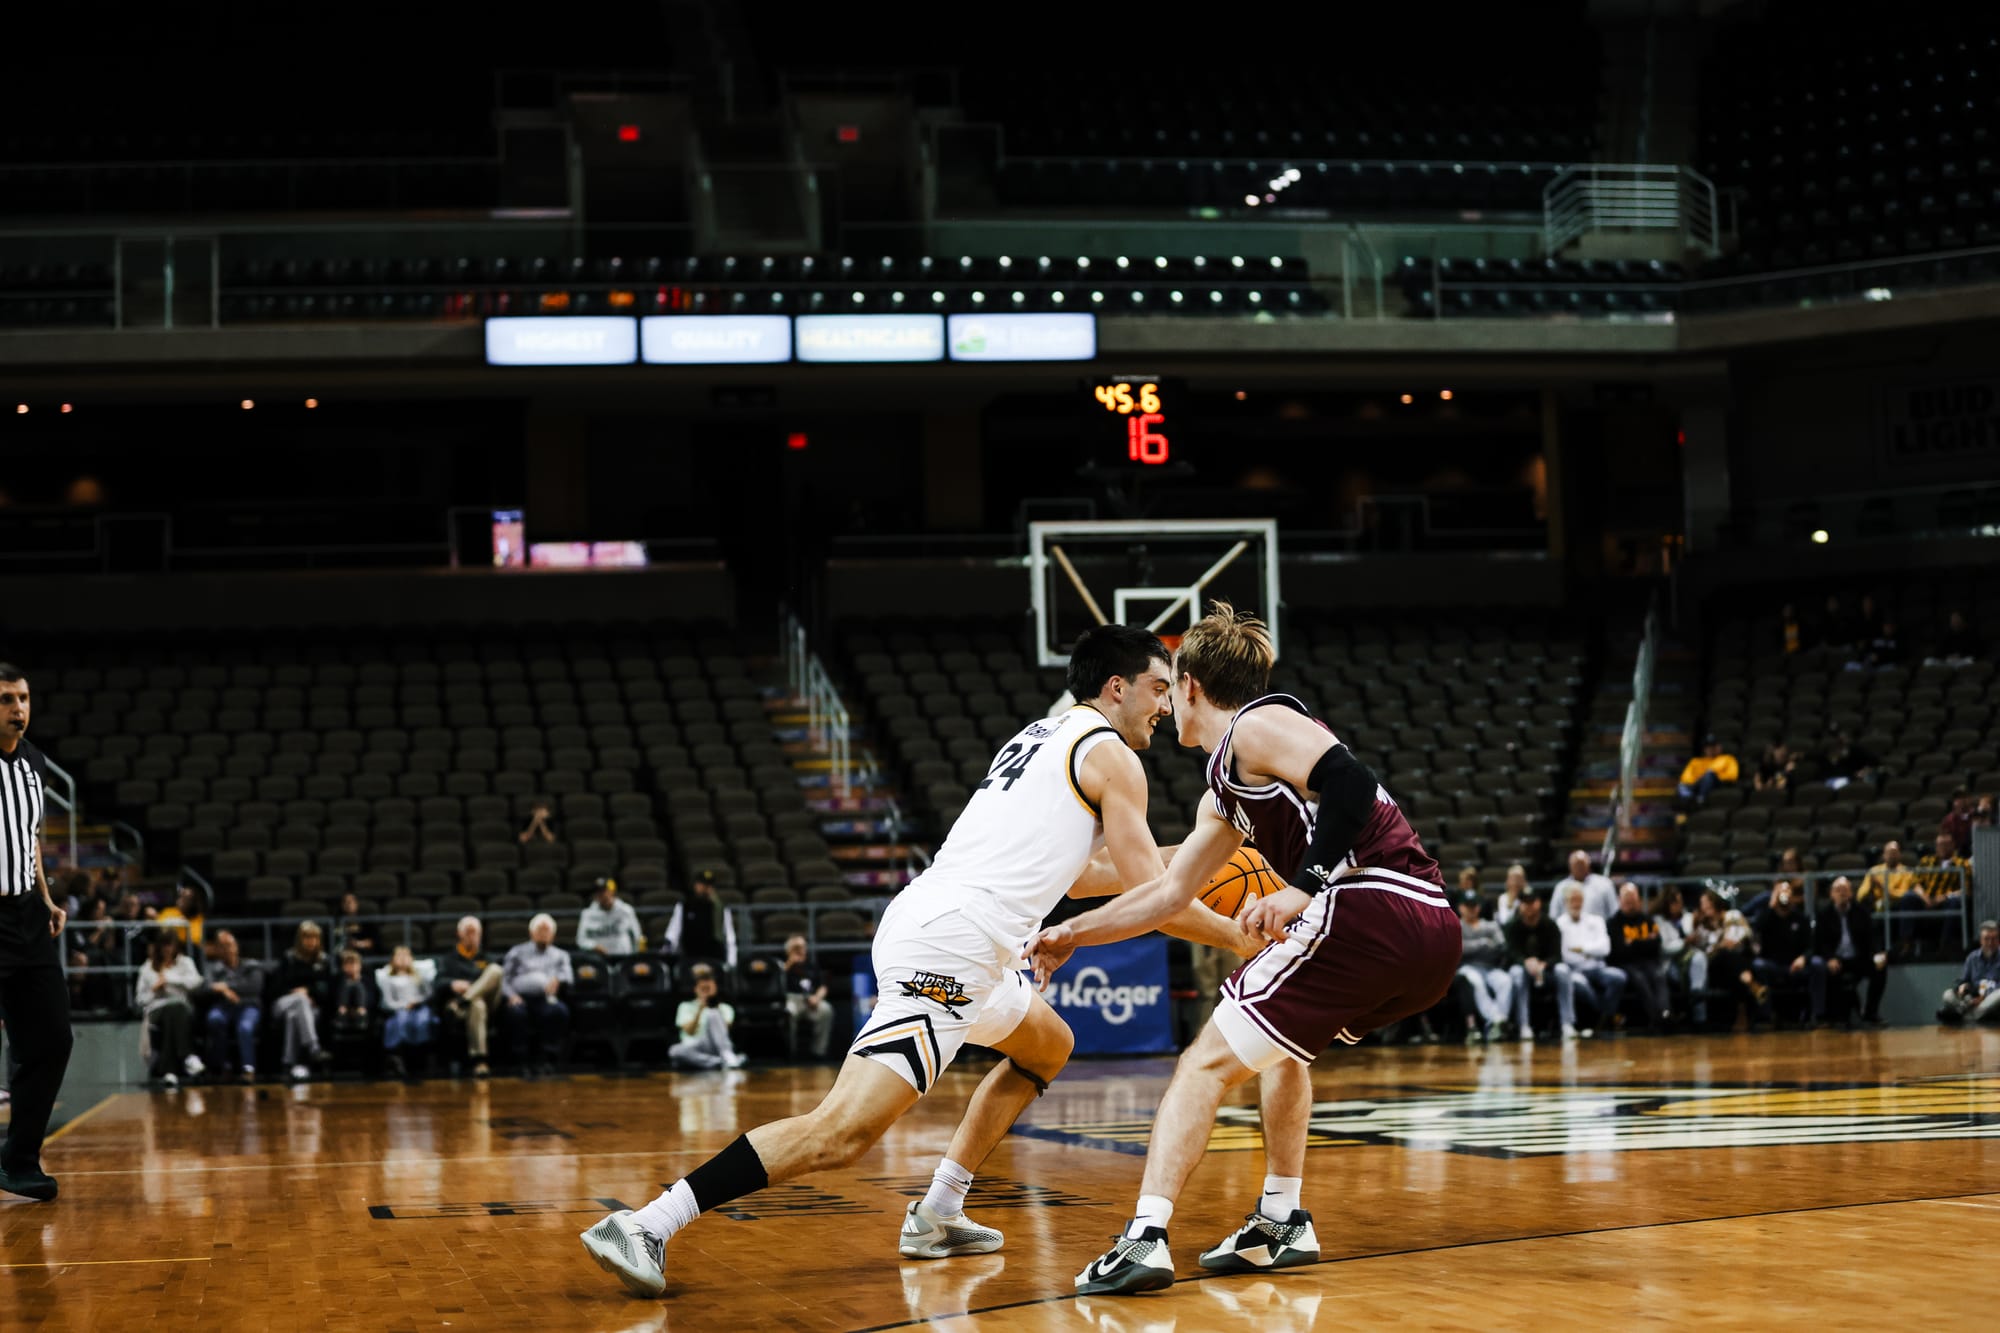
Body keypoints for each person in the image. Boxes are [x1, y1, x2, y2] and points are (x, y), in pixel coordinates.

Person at [582, 622, 1244, 1297]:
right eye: (1159, 688)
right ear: (1117, 686)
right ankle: (649, 1222)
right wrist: (1238, 934)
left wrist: (1206, 857)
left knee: (1048, 1044)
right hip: (953, 944)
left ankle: (939, 1209)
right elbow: (1151, 896)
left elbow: (1082, 875)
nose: (1165, 705)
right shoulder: (1114, 759)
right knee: (841, 1132)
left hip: (948, 927)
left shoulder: (1041, 737)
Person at [1023, 604, 1459, 1295]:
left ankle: (1145, 1237)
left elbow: (1348, 780)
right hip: (1424, 936)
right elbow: (1166, 896)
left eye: (1171, 688)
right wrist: (1074, 930)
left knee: (1201, 1064)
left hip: (1370, 903)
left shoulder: (1258, 725)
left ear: (1193, 683)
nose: (1166, 703)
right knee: (1283, 1048)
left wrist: (1301, 887)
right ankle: (1281, 1220)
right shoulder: (1228, 788)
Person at [0, 663, 73, 1201]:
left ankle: (20, 1161)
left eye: (23, 698)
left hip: (27, 915)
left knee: (51, 1038)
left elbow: (29, 840)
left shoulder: (35, 764)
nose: (18, 709)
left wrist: (45, 896)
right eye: (6, 699)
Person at [501, 913, 573, 1075]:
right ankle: (521, 1060)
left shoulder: (561, 955)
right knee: (515, 1014)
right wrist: (511, 995)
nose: (543, 934)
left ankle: (548, 1057)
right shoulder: (517, 952)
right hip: (520, 998)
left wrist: (558, 980)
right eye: (540, 930)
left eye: (547, 931)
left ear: (553, 935)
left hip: (546, 998)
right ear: (531, 933)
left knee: (559, 1011)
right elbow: (504, 979)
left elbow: (568, 976)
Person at [1811, 876, 1886, 1028]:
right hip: (1837, 960)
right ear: (1831, 895)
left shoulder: (1861, 912)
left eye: (1845, 890)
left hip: (1858, 959)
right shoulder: (1824, 914)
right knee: (1826, 971)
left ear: (1851, 894)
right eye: (1838, 890)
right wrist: (1830, 958)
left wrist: (1879, 953)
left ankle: (1871, 1013)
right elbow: (1820, 943)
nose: (1842, 894)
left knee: (1880, 970)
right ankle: (1830, 1016)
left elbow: (1873, 936)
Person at [433, 915, 501, 1079]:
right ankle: (479, 1061)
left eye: (475, 932)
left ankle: (464, 1001)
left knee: (496, 970)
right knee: (477, 1005)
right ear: (459, 934)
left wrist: (467, 994)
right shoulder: (448, 959)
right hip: (466, 1009)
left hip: (486, 1002)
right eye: (468, 932)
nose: (472, 936)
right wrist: (453, 984)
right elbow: (438, 983)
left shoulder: (488, 958)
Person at [1502, 886, 1573, 1040]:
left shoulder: (1550, 925)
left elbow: (1557, 955)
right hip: (1523, 969)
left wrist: (1544, 964)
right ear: (1520, 904)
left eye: (1532, 902)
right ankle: (1523, 1025)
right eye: (1525, 902)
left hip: (1547, 970)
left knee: (1563, 970)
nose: (1529, 906)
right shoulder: (1511, 926)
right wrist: (1525, 962)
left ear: (1539, 903)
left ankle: (1567, 1023)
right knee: (1516, 973)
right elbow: (1510, 954)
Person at [135, 933, 204, 1087]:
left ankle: (169, 1072)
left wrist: (169, 979)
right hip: (156, 1009)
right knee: (172, 1011)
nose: (167, 950)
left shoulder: (185, 963)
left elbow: (196, 982)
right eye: (164, 946)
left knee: (173, 1015)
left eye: (170, 946)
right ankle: (187, 1055)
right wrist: (154, 990)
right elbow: (140, 1000)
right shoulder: (147, 967)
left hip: (181, 1008)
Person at [271, 920, 336, 1082]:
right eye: (307, 938)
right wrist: (296, 993)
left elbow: (327, 991)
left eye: (314, 938)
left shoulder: (323, 961)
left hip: (310, 1006)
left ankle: (288, 1062)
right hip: (283, 1003)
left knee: (294, 1016)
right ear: (300, 939)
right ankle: (314, 1047)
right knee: (299, 1001)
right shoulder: (288, 958)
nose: (310, 942)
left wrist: (308, 992)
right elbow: (275, 988)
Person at [1752, 881, 1825, 1025]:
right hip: (1773, 965)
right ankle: (1765, 1018)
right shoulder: (1767, 916)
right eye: (1781, 891)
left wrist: (1803, 958)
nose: (1784, 894)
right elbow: (1756, 930)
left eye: (1788, 891)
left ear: (1792, 897)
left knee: (1817, 964)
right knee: (1758, 965)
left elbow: (1811, 947)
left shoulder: (1801, 918)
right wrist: (1771, 906)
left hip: (1795, 965)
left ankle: (1818, 1015)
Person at [1556, 884, 1625, 1035]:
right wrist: (1591, 950)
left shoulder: (1596, 921)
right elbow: (1565, 955)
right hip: (1574, 970)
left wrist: (1581, 949)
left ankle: (1604, 1018)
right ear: (1565, 902)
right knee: (1579, 983)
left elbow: (1605, 948)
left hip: (1598, 967)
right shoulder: (1560, 924)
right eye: (1572, 900)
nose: (1576, 903)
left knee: (1619, 977)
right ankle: (1604, 1016)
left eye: (1578, 899)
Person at [1607, 883, 1671, 1030]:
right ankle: (1656, 1018)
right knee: (1640, 979)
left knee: (1659, 976)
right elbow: (1619, 951)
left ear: (1638, 901)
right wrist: (1644, 942)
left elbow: (1656, 944)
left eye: (1633, 900)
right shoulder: (1613, 923)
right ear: (1620, 901)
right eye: (1627, 901)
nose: (1630, 904)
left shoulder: (1646, 919)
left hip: (1649, 961)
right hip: (1626, 964)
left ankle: (1666, 1013)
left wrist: (1634, 943)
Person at [203, 930, 263, 1082]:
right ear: (216, 949)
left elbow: (254, 986)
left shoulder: (251, 965)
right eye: (222, 946)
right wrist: (222, 990)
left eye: (229, 945)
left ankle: (248, 1069)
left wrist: (224, 987)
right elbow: (204, 987)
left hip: (248, 1006)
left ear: (236, 946)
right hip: (223, 1007)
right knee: (215, 1019)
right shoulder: (213, 968)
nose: (227, 949)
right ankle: (224, 1066)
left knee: (245, 1027)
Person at [1455, 891, 1512, 1044]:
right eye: (1468, 906)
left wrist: (1473, 948)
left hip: (1490, 967)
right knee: (1475, 982)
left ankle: (1496, 1025)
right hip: (1468, 968)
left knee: (1505, 981)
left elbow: (1501, 946)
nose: (1471, 909)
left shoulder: (1490, 926)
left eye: (1474, 906)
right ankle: (1498, 1019)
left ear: (1479, 908)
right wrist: (1483, 944)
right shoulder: (1456, 926)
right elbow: (1458, 949)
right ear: (1461, 908)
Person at [669, 963, 744, 1070]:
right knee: (674, 1051)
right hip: (694, 1046)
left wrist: (713, 1005)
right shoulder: (685, 1006)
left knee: (713, 1013)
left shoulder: (725, 1008)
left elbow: (725, 1031)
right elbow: (690, 1031)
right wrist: (700, 1009)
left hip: (716, 1045)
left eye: (708, 988)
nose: (706, 991)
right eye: (703, 988)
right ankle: (720, 1062)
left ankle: (727, 1056)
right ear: (695, 989)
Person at [379, 945, 433, 1077]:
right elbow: (387, 1002)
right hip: (400, 1009)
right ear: (392, 960)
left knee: (422, 1020)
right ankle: (401, 1058)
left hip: (418, 1007)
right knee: (401, 1020)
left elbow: (428, 993)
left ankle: (421, 1057)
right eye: (399, 956)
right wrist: (403, 1005)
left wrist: (417, 1001)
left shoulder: (418, 977)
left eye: (406, 956)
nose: (403, 959)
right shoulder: (388, 979)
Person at [780, 933, 833, 1059]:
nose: (801, 950)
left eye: (803, 947)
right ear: (789, 950)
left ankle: (819, 1052)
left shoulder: (811, 965)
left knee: (826, 1010)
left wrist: (817, 998)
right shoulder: (784, 965)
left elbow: (823, 986)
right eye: (796, 947)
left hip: (811, 999)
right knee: (789, 1012)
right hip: (792, 999)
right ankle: (791, 1052)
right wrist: (790, 963)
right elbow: (778, 981)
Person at [1937, 921, 2000, 1025]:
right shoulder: (1972, 958)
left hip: (1990, 999)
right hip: (1970, 998)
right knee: (1947, 994)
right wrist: (1961, 987)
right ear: (1981, 940)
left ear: (1998, 940)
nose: (1990, 943)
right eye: (1986, 939)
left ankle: (1965, 1016)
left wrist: (1982, 998)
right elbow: (1963, 980)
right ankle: (1965, 1010)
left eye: (1993, 939)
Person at [577, 876, 643, 955]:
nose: (603, 894)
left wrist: (635, 957)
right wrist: (593, 946)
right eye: (599, 892)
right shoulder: (587, 914)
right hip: (599, 960)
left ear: (612, 891)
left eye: (605, 890)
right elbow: (580, 940)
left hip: (623, 957)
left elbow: (637, 936)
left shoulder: (626, 910)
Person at [1553, 849, 1617, 921]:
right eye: (1576, 864)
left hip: (1598, 929)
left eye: (1581, 864)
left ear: (1589, 864)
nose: (1579, 868)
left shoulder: (1605, 884)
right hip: (1567, 930)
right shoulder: (1561, 887)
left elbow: (1614, 913)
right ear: (1570, 866)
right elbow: (1554, 915)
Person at [1677, 736, 1739, 805]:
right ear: (1704, 749)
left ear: (1719, 747)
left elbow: (1732, 776)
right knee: (1682, 785)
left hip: (1717, 783)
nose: (1711, 749)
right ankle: (1689, 801)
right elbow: (1685, 778)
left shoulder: (1728, 759)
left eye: (1714, 746)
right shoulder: (1695, 761)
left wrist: (1714, 774)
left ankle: (1701, 799)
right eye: (1708, 747)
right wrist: (1700, 779)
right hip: (1697, 784)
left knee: (1709, 774)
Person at [1860, 839, 1915, 912]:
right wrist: (1870, 888)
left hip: (1898, 907)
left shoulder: (1907, 872)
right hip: (1877, 907)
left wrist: (1882, 887)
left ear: (1899, 854)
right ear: (1883, 855)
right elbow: (1860, 896)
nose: (1891, 855)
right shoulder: (1874, 871)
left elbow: (1903, 895)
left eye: (1894, 852)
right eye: (1889, 852)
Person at [154, 883, 206, 951]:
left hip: (188, 951)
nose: (181, 900)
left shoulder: (198, 918)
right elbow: (160, 926)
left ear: (193, 901)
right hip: (169, 950)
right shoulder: (168, 912)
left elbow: (195, 939)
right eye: (180, 896)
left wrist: (181, 926)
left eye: (186, 898)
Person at [333, 891, 377, 957]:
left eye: (351, 901)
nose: (348, 904)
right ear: (342, 905)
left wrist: (358, 944)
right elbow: (334, 943)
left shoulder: (366, 922)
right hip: (343, 955)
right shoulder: (336, 922)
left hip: (363, 954)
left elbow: (373, 941)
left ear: (357, 903)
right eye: (345, 902)